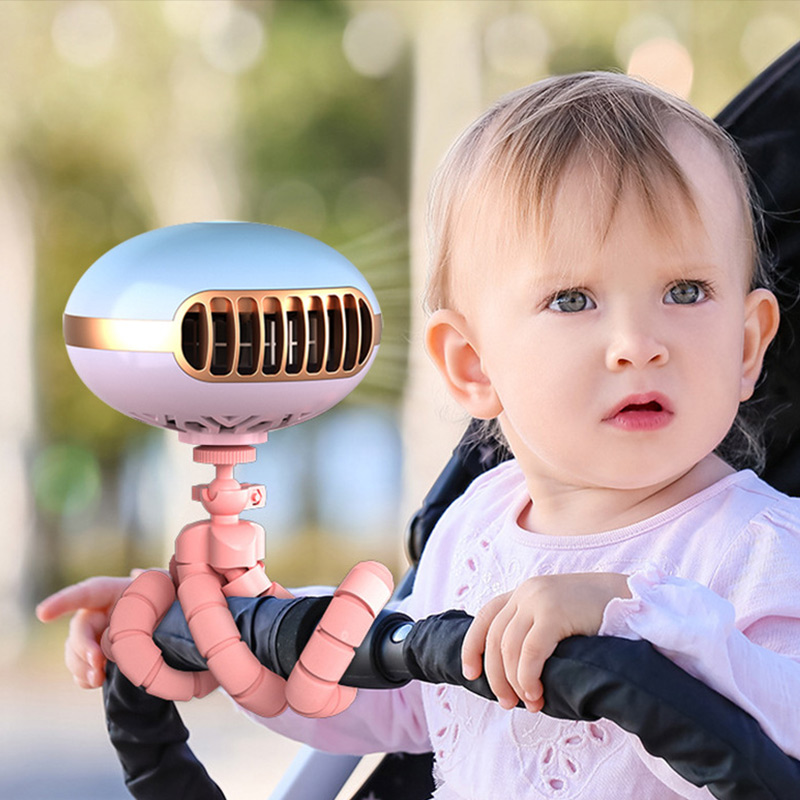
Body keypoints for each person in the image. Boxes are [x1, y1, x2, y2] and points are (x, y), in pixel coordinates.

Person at [37, 72, 800, 799]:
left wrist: (632, 613)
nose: (637, 341)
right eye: (572, 299)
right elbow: (401, 704)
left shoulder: (760, 548)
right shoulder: (477, 526)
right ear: (472, 366)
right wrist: (215, 629)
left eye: (686, 291)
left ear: (745, 345)